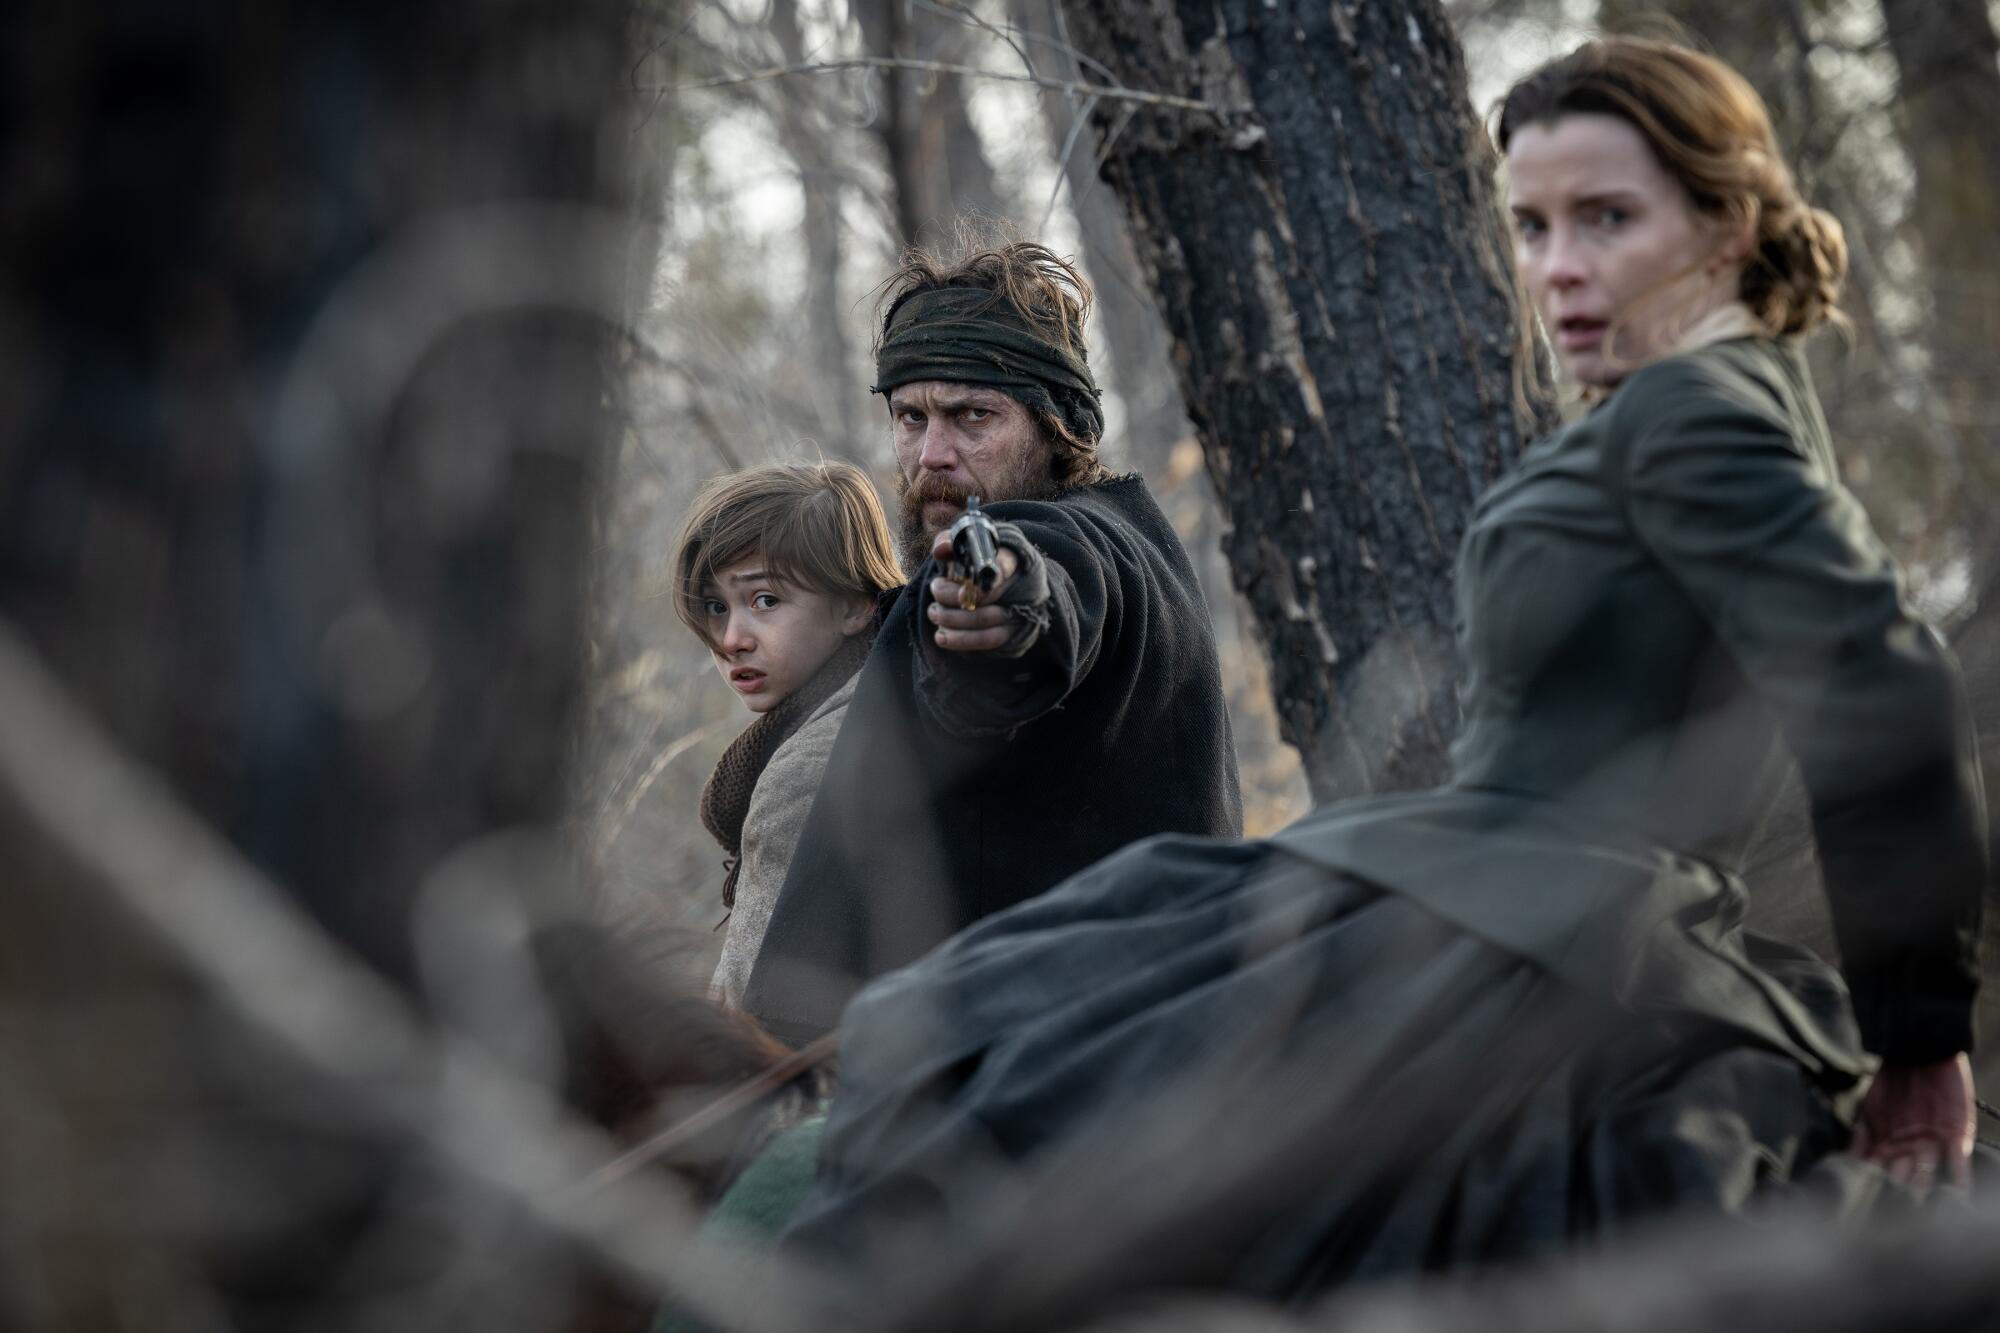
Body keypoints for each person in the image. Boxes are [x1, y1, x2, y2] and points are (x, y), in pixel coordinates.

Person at [775, 36, 1989, 1315]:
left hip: (1517, 927)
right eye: (1528, 225)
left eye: (1607, 219)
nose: (1558, 269)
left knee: (971, 1044)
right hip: (1482, 897)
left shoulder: (1697, 417)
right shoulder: (1709, 394)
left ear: (1728, 226)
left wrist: (1920, 1037)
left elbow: (1883, 689)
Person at [738, 241, 1243, 1044]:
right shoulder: (1138, 539)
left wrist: (1006, 609)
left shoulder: (1081, 544)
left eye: (973, 416)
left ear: (1055, 425)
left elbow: (1046, 602)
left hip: (1044, 1091)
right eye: (912, 417)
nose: (933, 455)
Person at [671, 462, 904, 1007]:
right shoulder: (898, 700)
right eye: (715, 607)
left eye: (765, 601)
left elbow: (747, 1022)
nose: (730, 639)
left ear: (854, 603)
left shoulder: (810, 769)